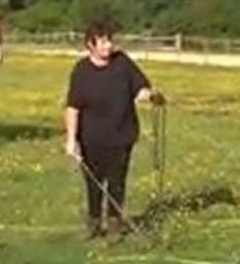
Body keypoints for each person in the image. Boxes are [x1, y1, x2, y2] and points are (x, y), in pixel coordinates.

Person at [63, 21, 166, 239]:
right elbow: (73, 106)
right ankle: (93, 222)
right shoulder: (81, 70)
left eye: (110, 40)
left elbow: (139, 89)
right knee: (93, 183)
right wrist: (71, 140)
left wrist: (151, 95)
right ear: (90, 45)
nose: (109, 46)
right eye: (103, 42)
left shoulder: (123, 63)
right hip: (91, 138)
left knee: (117, 181)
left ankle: (114, 223)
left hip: (121, 135)